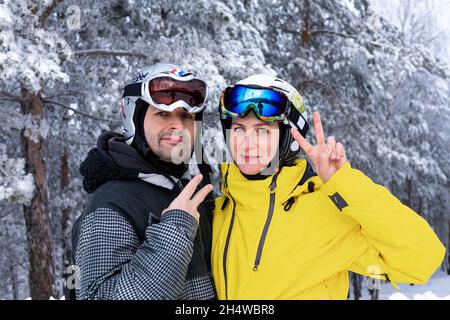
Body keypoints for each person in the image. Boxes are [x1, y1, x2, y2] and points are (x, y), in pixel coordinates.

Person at [211, 74, 446, 299]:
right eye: (239, 129)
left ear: (289, 139)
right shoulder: (217, 211)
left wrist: (345, 182)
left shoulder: (324, 210)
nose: (246, 143)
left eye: (262, 131)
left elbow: (423, 258)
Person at [71, 63, 216, 300]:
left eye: (186, 116)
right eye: (162, 114)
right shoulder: (111, 206)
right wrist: (175, 230)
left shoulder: (188, 192)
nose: (178, 126)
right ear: (134, 119)